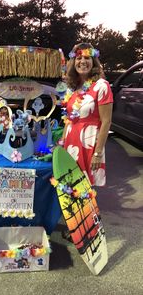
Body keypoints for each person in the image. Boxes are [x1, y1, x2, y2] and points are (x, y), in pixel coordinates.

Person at [60, 42, 113, 187]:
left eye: (87, 58)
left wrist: (98, 153)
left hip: (89, 144)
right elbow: (69, 119)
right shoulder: (72, 88)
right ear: (73, 62)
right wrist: (62, 144)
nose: (82, 61)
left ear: (93, 62)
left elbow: (106, 121)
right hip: (71, 144)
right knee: (71, 188)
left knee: (86, 190)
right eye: (78, 58)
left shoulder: (102, 86)